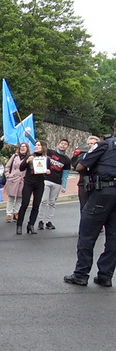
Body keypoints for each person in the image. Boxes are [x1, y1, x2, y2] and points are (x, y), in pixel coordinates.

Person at [65, 120, 116, 287]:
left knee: (87, 233)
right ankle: (105, 275)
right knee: (114, 237)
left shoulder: (104, 145)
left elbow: (80, 166)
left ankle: (81, 273)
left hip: (102, 193)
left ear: (113, 128)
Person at [36, 139, 72, 230]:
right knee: (44, 200)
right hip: (46, 180)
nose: (63, 145)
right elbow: (39, 146)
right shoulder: (50, 152)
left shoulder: (67, 160)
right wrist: (29, 137)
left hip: (57, 182)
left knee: (52, 202)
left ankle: (48, 221)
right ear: (58, 144)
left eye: (65, 144)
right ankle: (40, 221)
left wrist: (64, 185)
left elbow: (65, 174)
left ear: (67, 147)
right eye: (61, 143)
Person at [16, 140, 50, 235]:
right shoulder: (30, 156)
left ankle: (31, 225)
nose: (36, 146)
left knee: (36, 205)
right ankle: (19, 225)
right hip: (29, 182)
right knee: (25, 204)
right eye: (36, 145)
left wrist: (48, 171)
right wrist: (27, 161)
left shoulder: (46, 158)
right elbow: (21, 168)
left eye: (38, 145)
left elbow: (48, 172)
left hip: (39, 183)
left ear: (43, 147)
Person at [3, 143, 29, 222]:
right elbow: (7, 166)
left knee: (19, 198)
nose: (22, 148)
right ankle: (9, 214)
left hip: (23, 180)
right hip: (13, 179)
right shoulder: (14, 156)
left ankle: (16, 213)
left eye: (24, 147)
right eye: (21, 147)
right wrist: (8, 175)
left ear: (27, 148)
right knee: (11, 198)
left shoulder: (29, 157)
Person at [74, 136, 101, 211]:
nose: (90, 145)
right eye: (89, 143)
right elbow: (76, 165)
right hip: (84, 184)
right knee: (83, 207)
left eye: (92, 143)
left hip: (97, 184)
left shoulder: (102, 157)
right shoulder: (83, 155)